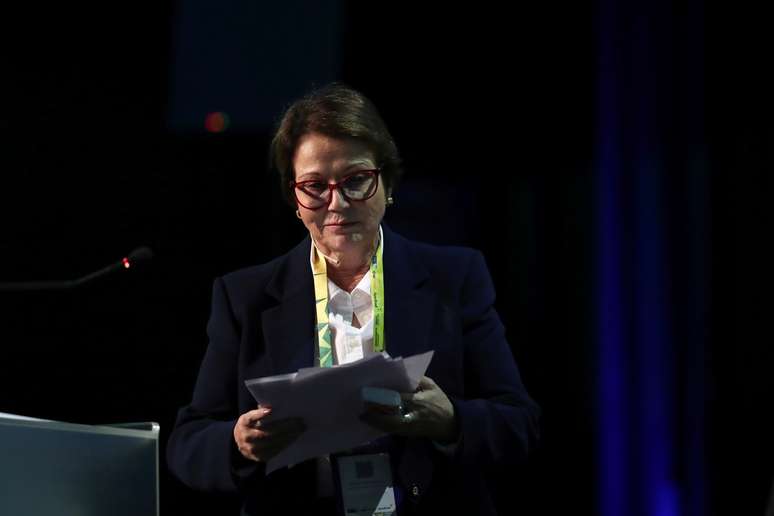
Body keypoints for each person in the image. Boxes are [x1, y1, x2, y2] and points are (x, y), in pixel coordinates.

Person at [167, 83, 540, 515]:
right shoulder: (245, 296)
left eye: (356, 180)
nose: (337, 203)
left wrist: (452, 421)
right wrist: (237, 442)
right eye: (314, 186)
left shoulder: (454, 279)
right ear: (294, 198)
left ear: (388, 182)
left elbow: (520, 425)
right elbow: (187, 444)